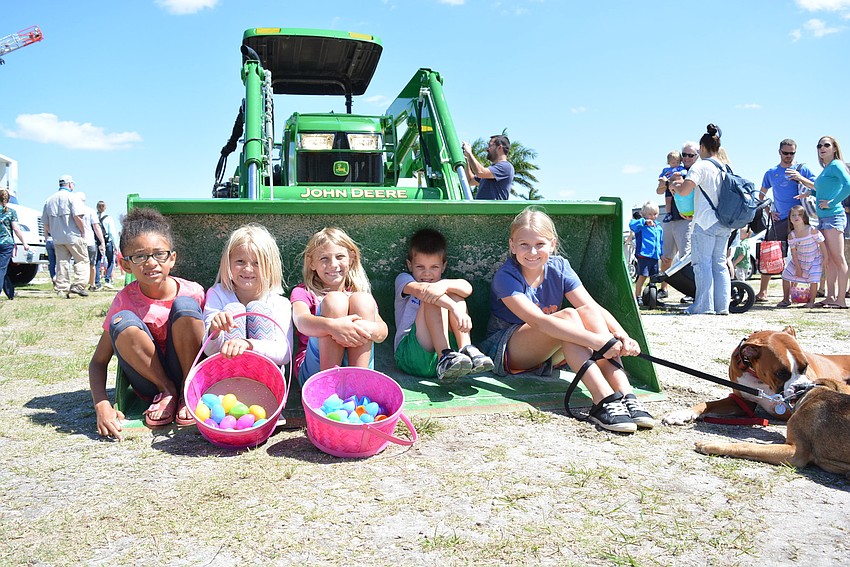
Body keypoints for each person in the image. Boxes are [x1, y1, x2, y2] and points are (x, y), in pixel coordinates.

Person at [480, 207, 654, 433]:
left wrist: (621, 335)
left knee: (584, 312)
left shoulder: (559, 266)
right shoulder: (507, 276)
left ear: (552, 244)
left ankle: (627, 395)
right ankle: (602, 400)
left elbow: (590, 306)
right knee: (569, 317)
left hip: (548, 351)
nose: (532, 251)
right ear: (512, 246)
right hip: (507, 351)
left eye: (540, 244)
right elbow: (539, 322)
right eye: (524, 244)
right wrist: (598, 341)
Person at [88, 208, 205, 439]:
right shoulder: (124, 300)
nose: (151, 263)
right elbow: (98, 362)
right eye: (140, 256)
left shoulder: (194, 292)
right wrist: (101, 405)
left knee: (186, 308)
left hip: (188, 371)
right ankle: (167, 390)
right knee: (123, 322)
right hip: (149, 382)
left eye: (159, 254)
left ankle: (186, 391)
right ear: (125, 265)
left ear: (172, 258)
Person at [393, 228, 494, 383]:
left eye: (434, 267)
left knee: (454, 294)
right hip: (412, 355)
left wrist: (445, 284)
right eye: (420, 267)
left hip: (455, 361)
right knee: (432, 297)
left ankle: (466, 349)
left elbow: (467, 288)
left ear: (443, 267)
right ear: (410, 265)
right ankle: (444, 356)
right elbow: (424, 291)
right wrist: (454, 309)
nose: (427, 274)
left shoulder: (441, 284)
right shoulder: (404, 279)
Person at [291, 227, 388, 385]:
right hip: (315, 372)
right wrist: (333, 327)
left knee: (362, 299)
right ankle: (327, 387)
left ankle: (358, 386)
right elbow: (302, 321)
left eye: (340, 257)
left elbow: (382, 331)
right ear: (311, 263)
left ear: (351, 258)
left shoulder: (357, 295)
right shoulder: (303, 292)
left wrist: (367, 329)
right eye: (324, 259)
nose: (333, 264)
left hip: (354, 366)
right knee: (335, 301)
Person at [204, 224, 292, 368]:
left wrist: (248, 345)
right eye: (240, 262)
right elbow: (208, 351)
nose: (248, 269)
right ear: (228, 263)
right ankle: (235, 377)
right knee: (233, 310)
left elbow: (284, 354)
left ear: (270, 267)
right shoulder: (217, 294)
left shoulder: (279, 303)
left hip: (265, 377)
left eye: (257, 263)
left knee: (258, 309)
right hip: (227, 373)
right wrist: (214, 330)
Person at [670, 124, 731, 315]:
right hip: (724, 222)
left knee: (702, 263)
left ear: (702, 148)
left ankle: (704, 306)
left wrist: (676, 186)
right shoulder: (724, 167)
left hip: (705, 221)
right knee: (719, 264)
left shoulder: (701, 166)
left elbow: (686, 189)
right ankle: (722, 306)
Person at [790, 136, 850, 308]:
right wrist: (811, 194)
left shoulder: (837, 165)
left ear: (834, 148)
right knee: (829, 259)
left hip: (834, 217)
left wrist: (832, 202)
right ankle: (830, 297)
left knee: (838, 258)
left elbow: (848, 185)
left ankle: (841, 299)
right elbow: (824, 191)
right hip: (823, 218)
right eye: (819, 145)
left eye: (826, 145)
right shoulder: (826, 168)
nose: (822, 148)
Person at [755, 139, 817, 302]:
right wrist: (769, 211)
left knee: (806, 256)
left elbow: (817, 187)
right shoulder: (771, 172)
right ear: (779, 152)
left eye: (792, 153)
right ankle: (763, 291)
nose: (789, 156)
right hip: (780, 220)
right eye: (786, 153)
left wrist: (800, 178)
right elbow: (761, 196)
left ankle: (807, 293)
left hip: (800, 221)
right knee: (769, 255)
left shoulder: (802, 169)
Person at [657, 142, 699, 299]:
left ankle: (691, 291)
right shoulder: (673, 172)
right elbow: (659, 189)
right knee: (666, 256)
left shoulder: (695, 172)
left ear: (697, 156)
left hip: (687, 218)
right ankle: (663, 288)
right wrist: (665, 183)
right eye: (685, 155)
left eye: (690, 155)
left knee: (685, 256)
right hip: (671, 217)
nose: (687, 158)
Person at [41, 174, 89, 298]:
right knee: (82, 260)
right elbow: (77, 216)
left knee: (61, 262)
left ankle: (62, 287)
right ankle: (78, 285)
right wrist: (83, 231)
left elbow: (45, 223)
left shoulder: (49, 200)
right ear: (70, 184)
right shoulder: (72, 197)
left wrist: (51, 233)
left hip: (57, 237)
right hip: (73, 235)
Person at [777, 205, 825, 309]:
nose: (796, 217)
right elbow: (794, 253)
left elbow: (822, 244)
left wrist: (826, 258)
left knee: (813, 280)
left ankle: (811, 301)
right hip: (799, 259)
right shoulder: (792, 235)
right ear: (789, 218)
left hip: (814, 259)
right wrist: (798, 268)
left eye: (799, 214)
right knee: (785, 275)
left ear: (804, 217)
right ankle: (786, 299)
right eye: (793, 215)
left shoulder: (812, 230)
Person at [628, 201, 663, 305]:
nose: (652, 217)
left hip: (654, 256)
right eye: (650, 214)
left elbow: (660, 242)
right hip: (644, 255)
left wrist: (661, 254)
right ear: (644, 215)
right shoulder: (641, 226)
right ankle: (637, 296)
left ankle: (652, 297)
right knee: (642, 276)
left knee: (654, 278)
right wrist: (644, 221)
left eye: (655, 214)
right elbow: (632, 225)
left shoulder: (658, 227)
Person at [461, 135, 515, 200]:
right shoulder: (491, 170)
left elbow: (480, 172)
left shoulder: (506, 167)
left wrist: (469, 153)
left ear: (499, 148)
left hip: (493, 210)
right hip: (481, 209)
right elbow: (470, 181)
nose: (487, 149)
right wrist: (467, 159)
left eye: (490, 145)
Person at [0, 188, 30, 301]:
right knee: (2, 269)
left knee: (3, 269)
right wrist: (24, 243)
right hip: (6, 243)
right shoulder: (11, 212)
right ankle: (8, 292)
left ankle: (10, 292)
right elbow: (16, 229)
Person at [76, 192, 106, 292]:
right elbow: (96, 227)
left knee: (79, 263)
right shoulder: (90, 211)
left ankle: (80, 284)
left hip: (77, 240)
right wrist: (102, 241)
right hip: (89, 240)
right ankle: (92, 284)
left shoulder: (72, 211)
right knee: (92, 264)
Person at [95, 200, 118, 290]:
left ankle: (97, 282)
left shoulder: (94, 217)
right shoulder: (108, 218)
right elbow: (112, 233)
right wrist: (116, 245)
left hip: (97, 242)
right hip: (108, 241)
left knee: (97, 261)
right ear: (105, 207)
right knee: (111, 261)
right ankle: (107, 280)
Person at [658, 150, 687, 220]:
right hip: (668, 187)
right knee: (668, 200)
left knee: (678, 199)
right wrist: (662, 179)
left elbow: (684, 171)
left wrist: (680, 173)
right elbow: (661, 176)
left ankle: (682, 211)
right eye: (673, 162)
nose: (676, 164)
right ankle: (668, 213)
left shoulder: (679, 168)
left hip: (677, 187)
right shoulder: (666, 170)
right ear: (669, 162)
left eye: (677, 162)